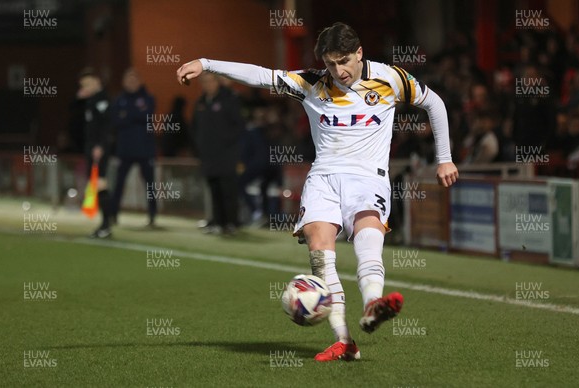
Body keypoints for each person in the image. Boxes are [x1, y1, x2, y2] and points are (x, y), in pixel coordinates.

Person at [177, 22, 458, 361]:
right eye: (330, 64)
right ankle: (344, 341)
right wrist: (207, 64)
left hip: (369, 176)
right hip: (324, 177)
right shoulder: (311, 83)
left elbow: (436, 104)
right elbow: (263, 76)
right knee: (320, 252)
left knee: (368, 230)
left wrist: (444, 159)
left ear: (359, 53)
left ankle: (373, 304)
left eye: (344, 61)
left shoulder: (390, 78)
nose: (338, 71)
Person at [189, 73, 243, 235]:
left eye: (210, 81)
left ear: (217, 82)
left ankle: (231, 223)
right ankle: (217, 222)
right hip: (208, 156)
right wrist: (199, 147)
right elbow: (194, 127)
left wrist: (226, 143)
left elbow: (239, 126)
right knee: (213, 190)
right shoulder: (201, 102)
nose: (207, 85)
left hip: (226, 155)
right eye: (204, 82)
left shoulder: (229, 99)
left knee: (228, 190)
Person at [109, 68, 157, 227]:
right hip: (125, 150)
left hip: (145, 149)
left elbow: (147, 116)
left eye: (134, 79)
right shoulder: (118, 100)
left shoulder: (148, 98)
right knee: (119, 184)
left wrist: (127, 115)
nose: (131, 83)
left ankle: (152, 216)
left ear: (139, 81)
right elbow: (115, 121)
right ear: (124, 82)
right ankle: (113, 214)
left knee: (150, 185)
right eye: (128, 80)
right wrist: (136, 115)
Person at [77, 69, 113, 238]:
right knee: (97, 184)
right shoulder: (91, 100)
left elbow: (107, 126)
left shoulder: (102, 100)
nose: (85, 87)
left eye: (88, 84)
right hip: (92, 147)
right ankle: (106, 222)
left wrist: (100, 145)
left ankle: (107, 223)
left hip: (99, 148)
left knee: (100, 183)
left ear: (97, 82)